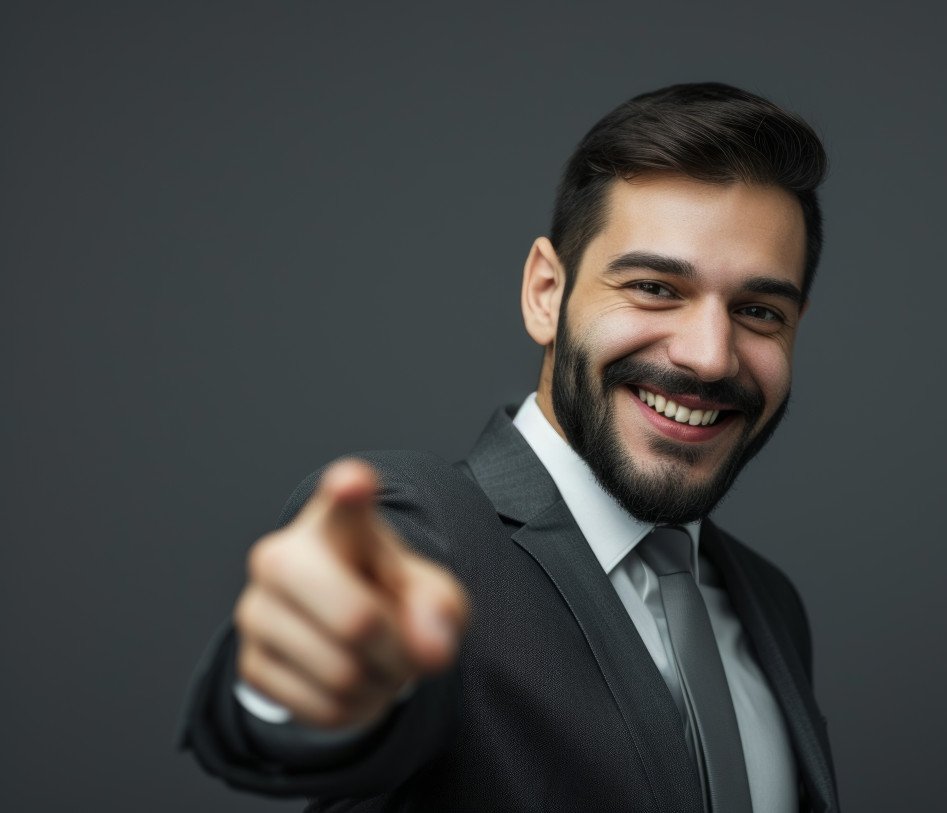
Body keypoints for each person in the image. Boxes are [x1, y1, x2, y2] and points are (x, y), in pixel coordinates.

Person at [180, 81, 839, 813]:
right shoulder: (424, 531)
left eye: (757, 311)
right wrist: (296, 688)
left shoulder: (770, 604)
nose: (711, 356)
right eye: (655, 287)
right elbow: (326, 690)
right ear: (545, 292)